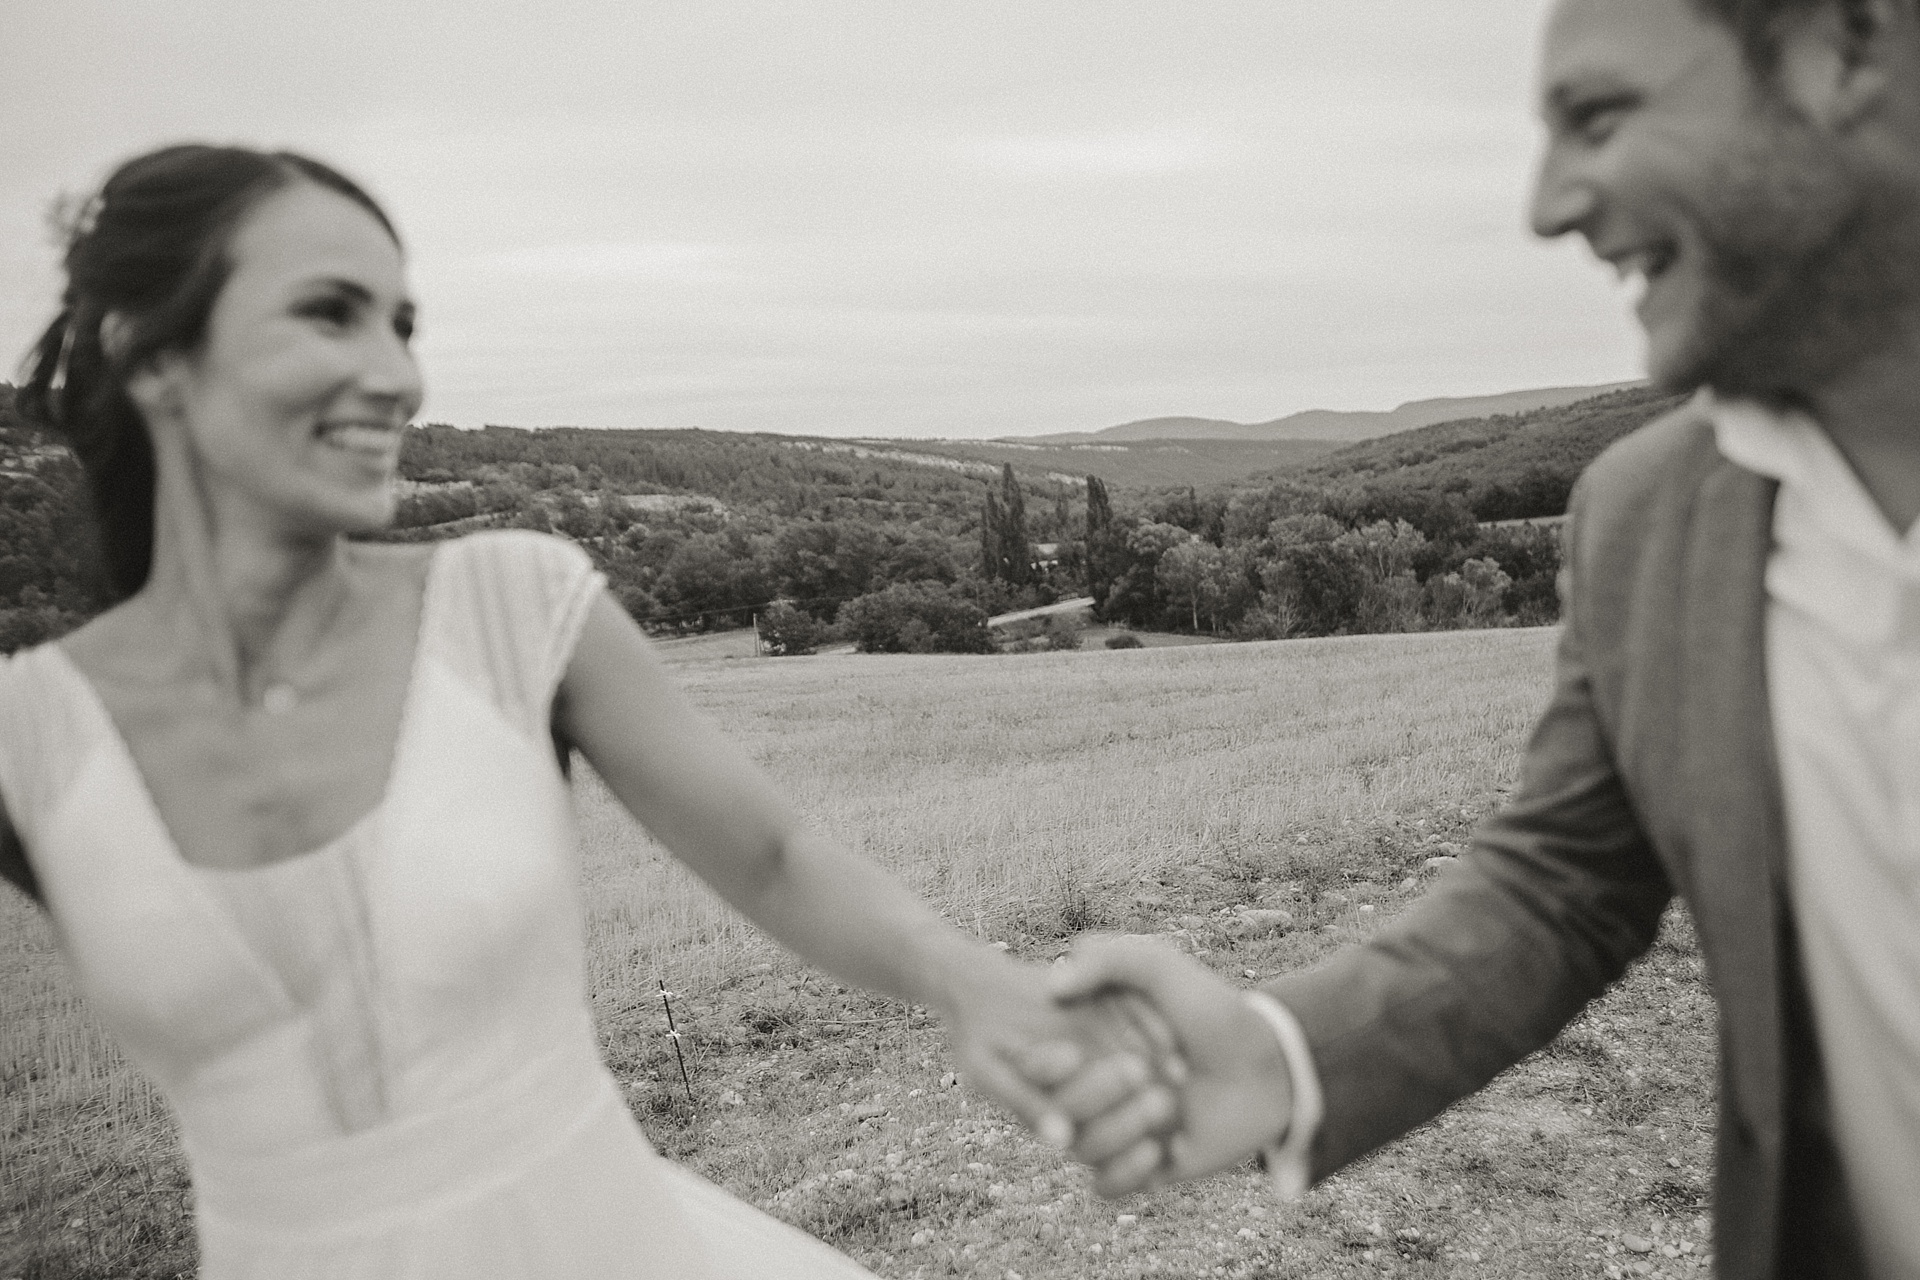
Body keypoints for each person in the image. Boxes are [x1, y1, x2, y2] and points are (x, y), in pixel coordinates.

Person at [0, 143, 1157, 1279]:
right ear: (151, 354)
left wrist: (970, 981)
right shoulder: (34, 740)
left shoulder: (509, 605)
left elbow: (773, 854)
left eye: (402, 326)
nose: (398, 376)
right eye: (329, 313)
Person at [1038, 1, 1920, 1276]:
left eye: (1600, 117)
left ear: (1844, 47)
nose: (1549, 206)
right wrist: (1282, 1053)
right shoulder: (1642, 518)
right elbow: (1561, 878)